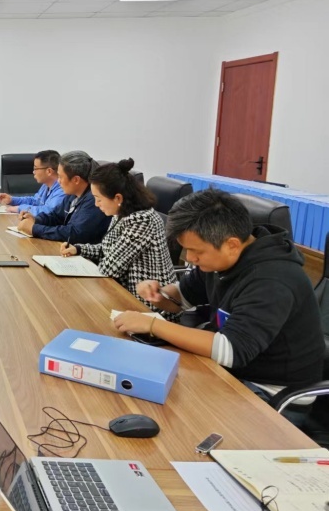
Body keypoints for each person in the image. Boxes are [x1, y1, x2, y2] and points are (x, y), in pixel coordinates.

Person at [113, 189, 323, 395]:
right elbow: (183, 297)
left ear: (231, 245)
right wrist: (159, 295)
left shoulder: (272, 280)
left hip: (271, 389)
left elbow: (232, 350)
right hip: (229, 368)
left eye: (196, 251)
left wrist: (152, 325)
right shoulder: (222, 259)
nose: (189, 258)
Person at [60, 159, 175, 313]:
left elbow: (109, 268)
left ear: (118, 198)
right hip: (124, 293)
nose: (96, 204)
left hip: (149, 306)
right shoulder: (121, 212)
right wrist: (78, 249)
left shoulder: (142, 221)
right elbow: (108, 248)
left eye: (98, 199)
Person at [17, 150, 110, 244]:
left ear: (76, 180)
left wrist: (34, 229)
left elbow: (74, 234)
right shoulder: (73, 195)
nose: (58, 181)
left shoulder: (94, 200)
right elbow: (56, 216)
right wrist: (36, 219)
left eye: (60, 177)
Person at [0, 150, 66, 216]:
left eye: (36, 169)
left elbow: (48, 211)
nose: (33, 172)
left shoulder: (62, 189)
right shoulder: (46, 185)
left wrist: (19, 208)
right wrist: (12, 200)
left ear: (49, 171)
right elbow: (35, 201)